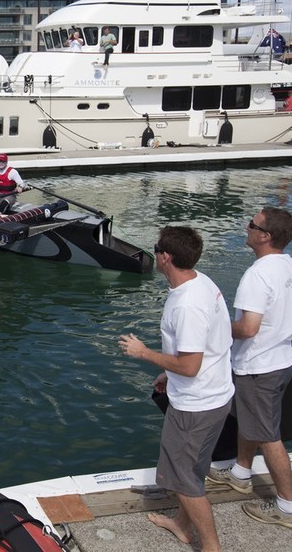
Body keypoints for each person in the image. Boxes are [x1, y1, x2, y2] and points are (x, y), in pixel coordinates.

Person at [118, 226, 233, 552]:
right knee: (193, 471)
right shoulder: (202, 282)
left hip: (196, 406)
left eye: (156, 248)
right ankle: (182, 526)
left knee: (183, 481)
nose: (154, 252)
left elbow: (190, 365)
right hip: (216, 395)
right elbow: (205, 347)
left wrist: (144, 353)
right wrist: (169, 374)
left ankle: (211, 547)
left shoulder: (186, 305)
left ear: (166, 257)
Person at [207, 207, 292, 529]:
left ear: (265, 236)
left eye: (252, 225)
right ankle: (241, 472)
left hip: (258, 367)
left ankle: (288, 507)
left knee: (268, 436)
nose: (247, 227)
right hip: (282, 361)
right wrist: (282, 333)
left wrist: (214, 329)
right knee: (252, 419)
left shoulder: (257, 274)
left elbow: (247, 328)